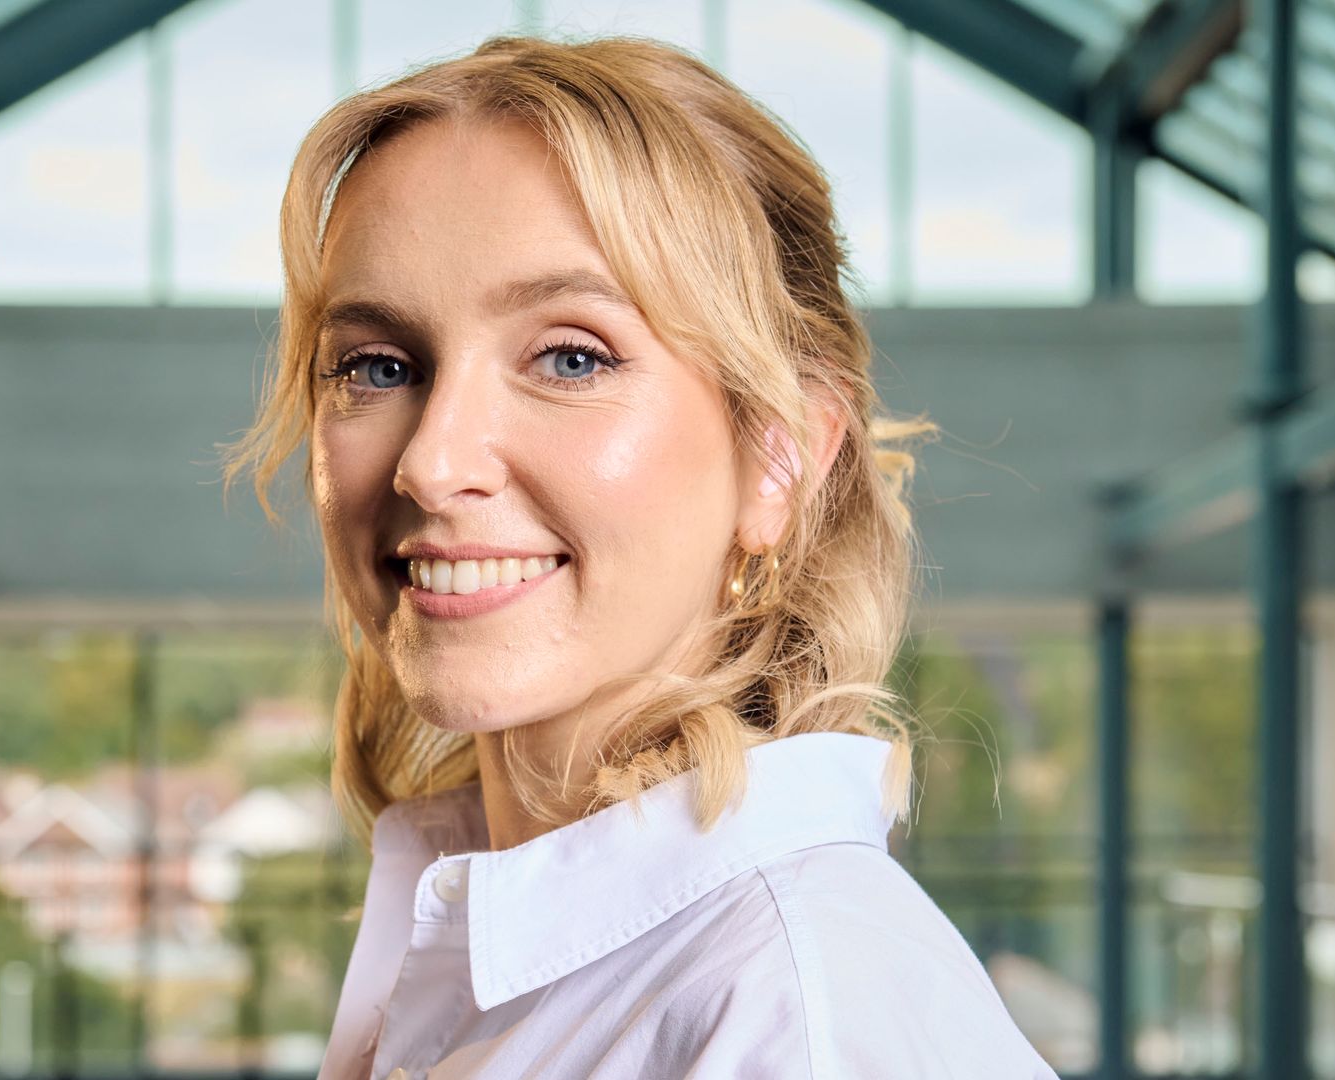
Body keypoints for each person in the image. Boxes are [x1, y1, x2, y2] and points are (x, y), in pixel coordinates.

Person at [230, 34, 1057, 1080]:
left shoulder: (801, 1018)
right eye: (378, 365)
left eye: (570, 356)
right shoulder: (485, 950)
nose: (432, 465)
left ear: (779, 456)